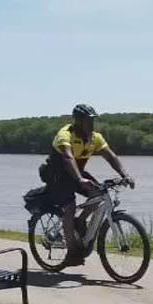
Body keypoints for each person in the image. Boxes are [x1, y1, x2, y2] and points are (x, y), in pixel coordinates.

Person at [40, 104, 134, 266]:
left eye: (93, 120)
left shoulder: (95, 137)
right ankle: (71, 252)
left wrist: (124, 175)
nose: (91, 123)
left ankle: (80, 221)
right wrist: (80, 180)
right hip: (57, 175)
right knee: (69, 207)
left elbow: (110, 156)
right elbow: (68, 158)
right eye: (88, 120)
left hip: (76, 173)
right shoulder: (65, 134)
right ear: (78, 121)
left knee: (99, 195)